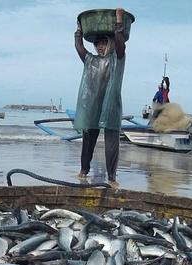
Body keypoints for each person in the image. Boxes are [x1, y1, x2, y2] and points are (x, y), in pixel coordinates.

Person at [74, 8, 127, 186]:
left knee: (112, 144)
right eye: (97, 44)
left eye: (103, 43)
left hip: (111, 106)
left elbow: (120, 44)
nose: (100, 46)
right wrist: (79, 31)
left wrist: (119, 23)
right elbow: (79, 47)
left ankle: (112, 177)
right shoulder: (91, 60)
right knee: (88, 140)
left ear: (110, 43)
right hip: (93, 107)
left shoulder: (117, 58)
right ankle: (83, 170)